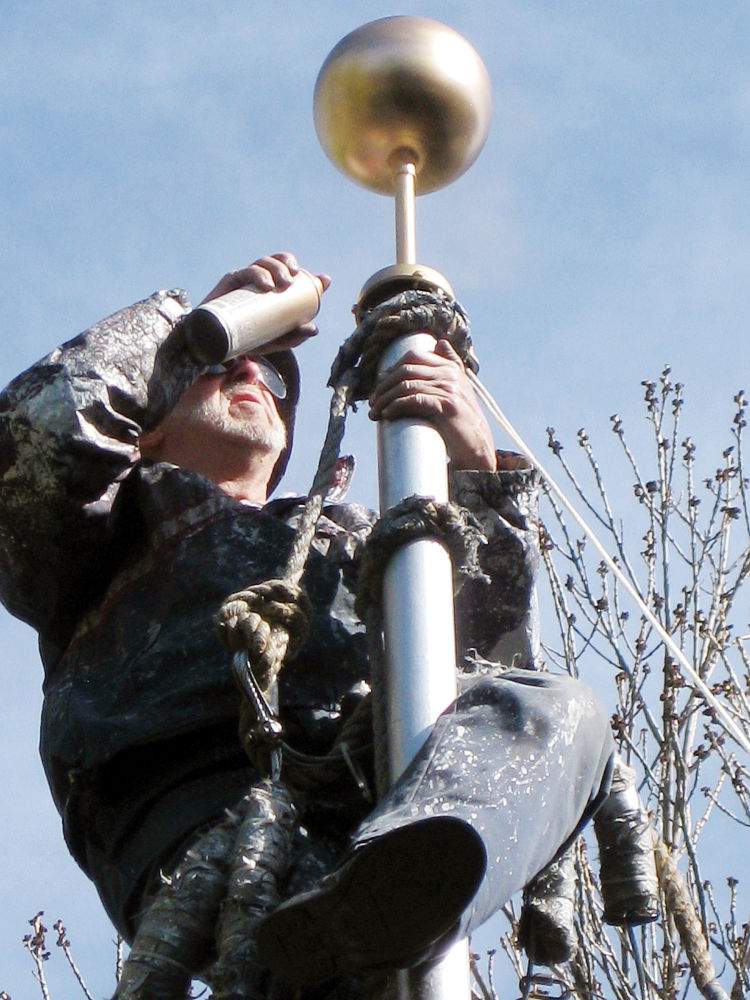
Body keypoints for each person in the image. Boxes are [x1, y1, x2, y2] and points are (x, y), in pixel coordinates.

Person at [0, 252, 614, 991]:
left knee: (560, 710)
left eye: (278, 376)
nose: (256, 374)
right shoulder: (104, 530)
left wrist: (475, 470)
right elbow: (37, 434)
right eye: (229, 367)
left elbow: (489, 657)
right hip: (189, 804)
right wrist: (204, 326)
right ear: (151, 425)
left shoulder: (356, 540)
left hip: (377, 801)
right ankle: (354, 921)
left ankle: (378, 903)